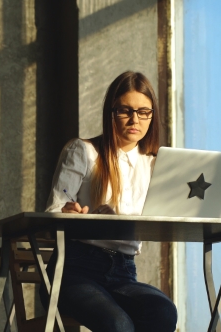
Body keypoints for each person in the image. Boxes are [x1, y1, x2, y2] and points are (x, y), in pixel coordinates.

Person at [40, 71, 178, 331]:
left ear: (152, 115)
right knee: (118, 324)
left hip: (124, 272)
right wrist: (70, 214)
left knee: (163, 311)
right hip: (74, 270)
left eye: (144, 111)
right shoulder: (83, 151)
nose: (134, 119)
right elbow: (54, 211)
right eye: (125, 110)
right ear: (111, 112)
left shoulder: (156, 165)